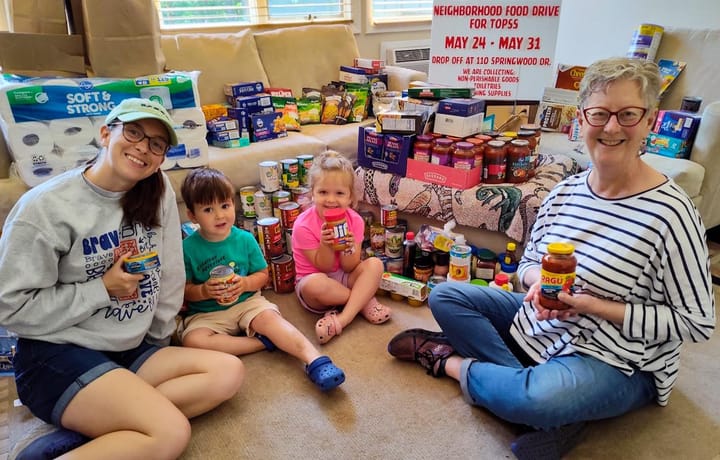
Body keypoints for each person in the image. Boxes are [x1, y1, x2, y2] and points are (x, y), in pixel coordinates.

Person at [388, 57, 716, 460]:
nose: (612, 127)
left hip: (616, 358)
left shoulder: (671, 214)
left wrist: (595, 306)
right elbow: (528, 265)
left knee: (539, 399)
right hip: (542, 328)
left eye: (628, 114)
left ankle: (449, 361)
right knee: (445, 296)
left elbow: (697, 323)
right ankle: (552, 409)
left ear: (649, 121)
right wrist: (534, 284)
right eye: (600, 114)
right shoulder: (564, 193)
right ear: (582, 119)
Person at [0, 98, 245, 459]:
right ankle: (124, 421)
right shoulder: (45, 208)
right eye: (133, 132)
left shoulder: (156, 187)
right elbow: (10, 308)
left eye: (157, 144)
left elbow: (170, 273)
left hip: (127, 347)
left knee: (228, 372)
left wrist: (159, 339)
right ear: (105, 133)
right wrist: (101, 289)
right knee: (170, 433)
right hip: (55, 354)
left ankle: (93, 433)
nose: (143, 148)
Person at [179, 167, 345, 391]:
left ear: (233, 204)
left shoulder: (244, 239)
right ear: (192, 215)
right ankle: (261, 342)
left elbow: (262, 275)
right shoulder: (187, 248)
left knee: (273, 321)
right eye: (208, 209)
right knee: (192, 341)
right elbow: (185, 289)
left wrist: (245, 283)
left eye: (225, 206)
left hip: (247, 302)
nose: (220, 215)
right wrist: (204, 291)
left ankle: (315, 360)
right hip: (207, 312)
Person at [292, 150, 391, 344]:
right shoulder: (302, 225)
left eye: (339, 193)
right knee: (315, 284)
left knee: (375, 264)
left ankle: (343, 318)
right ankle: (362, 301)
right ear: (312, 193)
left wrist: (349, 248)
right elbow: (325, 267)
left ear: (350, 197)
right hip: (316, 281)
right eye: (323, 192)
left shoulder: (355, 220)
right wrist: (326, 244)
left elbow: (349, 267)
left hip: (345, 277)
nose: (330, 200)